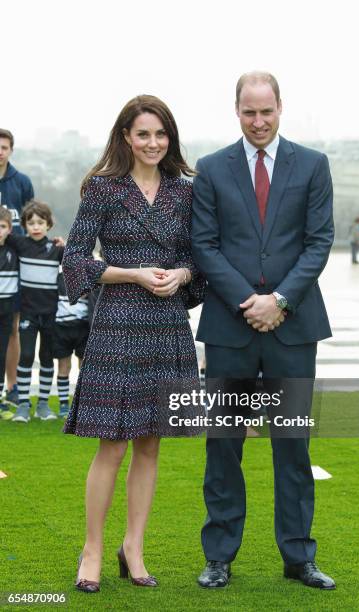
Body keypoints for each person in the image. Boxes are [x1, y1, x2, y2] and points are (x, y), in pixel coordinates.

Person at [192, 71, 335, 590]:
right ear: (236, 110)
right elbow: (204, 244)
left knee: (292, 445)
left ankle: (298, 558)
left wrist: (279, 300)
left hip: (293, 329)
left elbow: (319, 241)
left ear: (280, 108)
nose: (258, 121)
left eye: (266, 111)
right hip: (229, 330)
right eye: (249, 112)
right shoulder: (210, 169)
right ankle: (219, 556)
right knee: (223, 444)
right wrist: (246, 302)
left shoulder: (314, 166)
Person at [62, 95, 205, 593]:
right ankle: (93, 549)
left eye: (160, 134)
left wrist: (182, 272)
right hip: (117, 322)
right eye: (143, 134)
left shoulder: (186, 193)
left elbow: (199, 262)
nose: (152, 143)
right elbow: (75, 262)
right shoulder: (102, 189)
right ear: (126, 136)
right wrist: (133, 274)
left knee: (150, 443)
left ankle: (134, 547)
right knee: (113, 445)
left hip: (167, 326)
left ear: (171, 138)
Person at [7, 201, 64, 422]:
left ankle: (42, 405)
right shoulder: (19, 243)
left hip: (50, 313)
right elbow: (3, 233)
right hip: (28, 313)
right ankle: (23, 404)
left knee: (47, 357)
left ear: (49, 224)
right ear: (24, 226)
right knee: (27, 356)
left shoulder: (56, 249)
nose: (36, 227)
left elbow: (75, 258)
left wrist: (64, 244)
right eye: (31, 223)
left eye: (41, 223)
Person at [0, 129, 34, 407]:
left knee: (13, 328)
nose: (0, 151)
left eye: (4, 146)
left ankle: (12, 386)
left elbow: (34, 219)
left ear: (11, 150)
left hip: (14, 267)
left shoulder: (22, 182)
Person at [53, 273, 90, 418]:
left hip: (82, 326)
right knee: (64, 366)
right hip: (61, 327)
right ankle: (63, 405)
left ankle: (83, 404)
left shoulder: (89, 276)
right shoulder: (59, 277)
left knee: (84, 368)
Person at [0, 208, 19, 419]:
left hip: (6, 312)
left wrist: (58, 244)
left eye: (2, 227)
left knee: (1, 354)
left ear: (9, 229)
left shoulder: (15, 249)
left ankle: (2, 400)